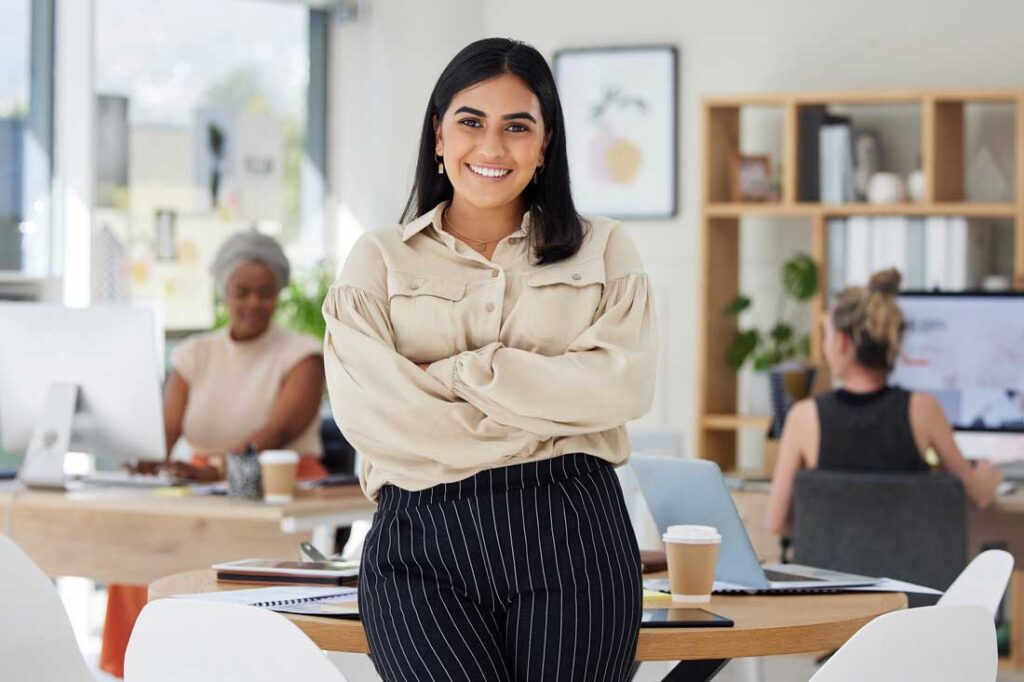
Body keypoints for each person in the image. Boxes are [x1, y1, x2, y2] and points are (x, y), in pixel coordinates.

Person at [323, 38, 658, 681]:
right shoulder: (378, 258)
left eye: (517, 127)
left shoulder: (607, 249)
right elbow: (373, 417)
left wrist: (458, 375)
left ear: (545, 143)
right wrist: (545, 413)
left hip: (573, 539)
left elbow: (622, 386)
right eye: (471, 122)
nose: (492, 147)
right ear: (439, 135)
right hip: (419, 546)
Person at [100, 231, 326, 678]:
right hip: (203, 486)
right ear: (224, 292)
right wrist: (142, 460)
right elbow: (161, 436)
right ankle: (137, 667)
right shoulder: (194, 354)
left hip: (279, 485)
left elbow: (276, 432)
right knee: (134, 549)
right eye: (242, 292)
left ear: (279, 293)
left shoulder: (302, 355)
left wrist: (220, 468)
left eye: (265, 292)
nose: (254, 303)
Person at [765, 268, 1003, 536]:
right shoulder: (922, 409)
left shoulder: (804, 417)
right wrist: (989, 476)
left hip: (832, 577)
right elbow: (979, 496)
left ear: (843, 342)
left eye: (827, 335)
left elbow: (776, 523)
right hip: (909, 577)